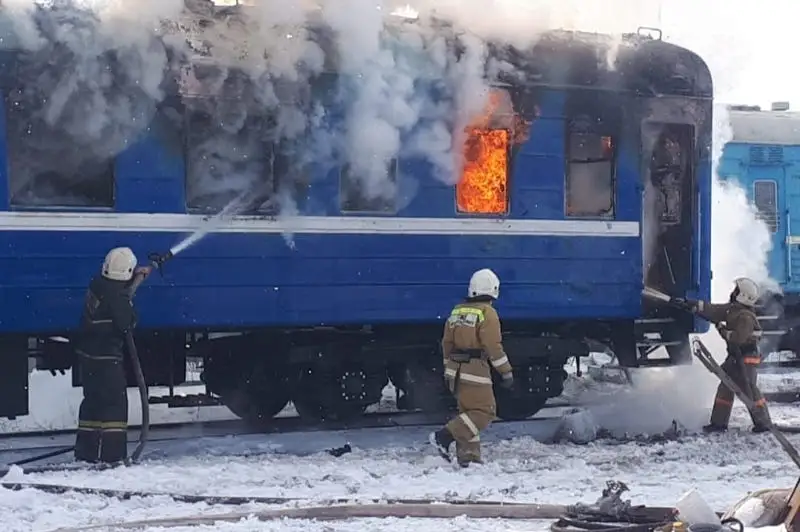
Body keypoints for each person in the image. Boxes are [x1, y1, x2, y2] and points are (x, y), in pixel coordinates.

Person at [73, 247, 151, 464]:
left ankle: (86, 453)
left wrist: (136, 277)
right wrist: (129, 300)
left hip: (89, 358)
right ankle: (113, 456)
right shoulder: (117, 297)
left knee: (92, 404)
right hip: (108, 359)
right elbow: (128, 322)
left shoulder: (97, 284)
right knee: (114, 406)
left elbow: (115, 289)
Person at [429, 268, 514, 467]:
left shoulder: (458, 311)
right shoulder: (487, 313)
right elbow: (493, 346)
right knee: (484, 411)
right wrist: (506, 371)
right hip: (475, 369)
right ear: (494, 290)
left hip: (456, 369)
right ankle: (443, 436)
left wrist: (448, 368)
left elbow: (446, 343)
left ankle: (469, 457)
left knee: (467, 413)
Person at [676, 277, 771, 433]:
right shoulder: (734, 310)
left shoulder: (745, 317)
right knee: (726, 386)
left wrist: (722, 330)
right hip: (736, 356)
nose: (733, 293)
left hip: (746, 357)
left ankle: (764, 423)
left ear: (743, 295)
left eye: (737, 291)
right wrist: (691, 305)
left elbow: (738, 338)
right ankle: (718, 423)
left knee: (749, 389)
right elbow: (714, 310)